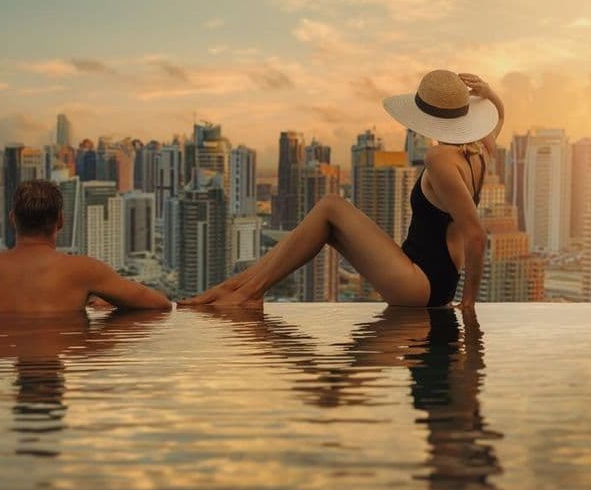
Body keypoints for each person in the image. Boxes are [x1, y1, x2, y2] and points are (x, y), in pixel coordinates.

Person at [181, 69, 503, 310]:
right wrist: (492, 95)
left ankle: (246, 293)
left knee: (331, 206)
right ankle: (240, 289)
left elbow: (475, 234)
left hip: (421, 284)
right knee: (328, 228)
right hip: (432, 278)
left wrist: (468, 304)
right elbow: (499, 118)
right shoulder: (479, 152)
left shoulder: (439, 158)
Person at [0, 180, 172, 313]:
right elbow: (160, 305)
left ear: (12, 219)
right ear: (60, 221)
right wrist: (114, 302)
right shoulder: (83, 271)